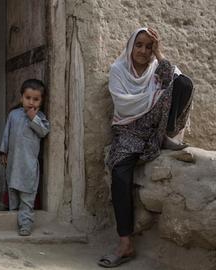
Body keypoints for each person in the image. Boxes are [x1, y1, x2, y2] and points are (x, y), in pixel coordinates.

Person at [99, 28, 193, 268]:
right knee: (120, 174)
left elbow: (177, 81)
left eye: (148, 47)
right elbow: (123, 104)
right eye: (138, 45)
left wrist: (160, 54)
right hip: (129, 129)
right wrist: (154, 98)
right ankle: (125, 243)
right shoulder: (118, 70)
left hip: (155, 128)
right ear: (131, 46)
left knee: (182, 82)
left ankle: (165, 135)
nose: (143, 51)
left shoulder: (156, 68)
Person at [0, 79, 50, 236]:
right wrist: (3, 152)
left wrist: (33, 117)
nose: (31, 102)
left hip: (28, 165)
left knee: (27, 196)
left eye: (36, 99)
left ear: (41, 101)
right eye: (28, 98)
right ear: (22, 98)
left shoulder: (40, 118)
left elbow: (43, 132)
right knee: (12, 190)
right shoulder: (13, 115)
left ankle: (26, 224)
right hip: (13, 163)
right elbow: (6, 135)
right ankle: (12, 218)